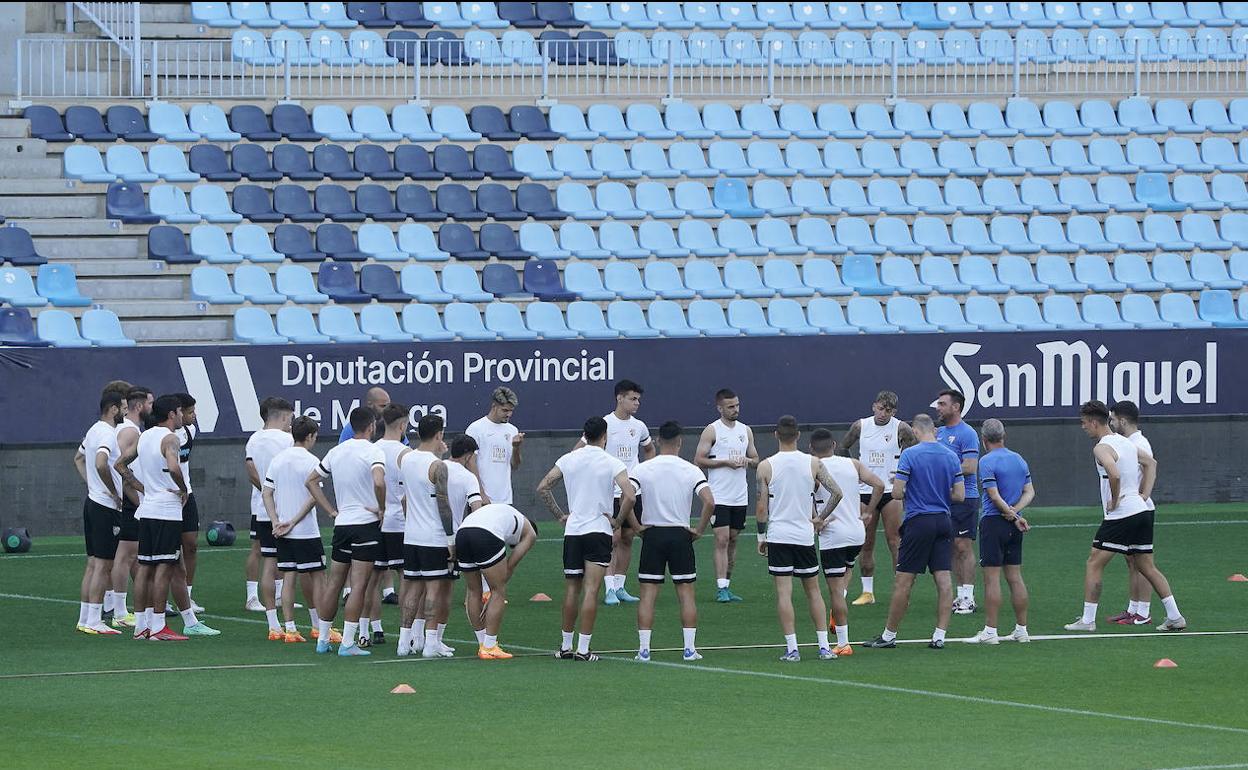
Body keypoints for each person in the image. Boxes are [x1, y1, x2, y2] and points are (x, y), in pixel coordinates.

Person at [1065, 401, 1187, 633]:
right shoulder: (1126, 443)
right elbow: (1151, 463)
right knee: (1146, 565)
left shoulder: (1101, 447)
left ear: (1093, 422)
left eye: (1083, 423)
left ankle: (1087, 620)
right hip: (1141, 511)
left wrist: (1115, 498)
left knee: (1094, 562)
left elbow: (1114, 473)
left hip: (1122, 514)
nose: (1083, 428)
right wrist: (1143, 495)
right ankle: (1174, 616)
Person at [537, 416, 635, 661]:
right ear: (605, 436)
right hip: (598, 530)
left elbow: (543, 487)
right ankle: (583, 649)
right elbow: (630, 496)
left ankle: (565, 647)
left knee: (572, 589)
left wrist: (561, 516)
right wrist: (617, 521)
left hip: (574, 532)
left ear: (584, 434)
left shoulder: (569, 458)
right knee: (591, 590)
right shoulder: (612, 462)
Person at [864, 414, 965, 650]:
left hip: (919, 521)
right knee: (943, 579)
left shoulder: (910, 454)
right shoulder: (950, 456)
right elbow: (959, 495)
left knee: (903, 581)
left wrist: (916, 490)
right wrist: (937, 494)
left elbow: (897, 493)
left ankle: (889, 636)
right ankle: (939, 635)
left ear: (916, 431)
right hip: (943, 521)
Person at [755, 416, 844, 662]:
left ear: (775, 435)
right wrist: (819, 519)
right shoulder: (813, 463)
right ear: (798, 436)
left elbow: (761, 508)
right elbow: (837, 492)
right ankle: (824, 646)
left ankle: (792, 648)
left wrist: (761, 536)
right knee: (814, 591)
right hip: (804, 536)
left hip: (779, 535)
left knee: (784, 594)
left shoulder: (765, 466)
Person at [306, 407, 387, 657]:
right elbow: (379, 481)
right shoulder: (374, 450)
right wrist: (381, 508)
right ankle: (348, 643)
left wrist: (331, 511)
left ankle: (322, 639)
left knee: (334, 584)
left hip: (342, 525)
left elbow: (311, 480)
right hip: (365, 524)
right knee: (359, 585)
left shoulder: (336, 451)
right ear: (371, 426)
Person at [632, 421, 715, 662]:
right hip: (680, 534)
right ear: (680, 442)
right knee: (686, 594)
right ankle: (689, 649)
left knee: (648, 594)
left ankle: (644, 650)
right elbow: (710, 502)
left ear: (658, 441)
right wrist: (699, 530)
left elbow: (627, 495)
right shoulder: (690, 470)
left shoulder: (643, 468)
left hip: (652, 534)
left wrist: (636, 526)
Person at [132, 396, 214, 640]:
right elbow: (175, 467)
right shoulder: (171, 438)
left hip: (147, 509)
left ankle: (141, 626)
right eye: (180, 411)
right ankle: (158, 627)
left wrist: (143, 487)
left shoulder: (144, 436)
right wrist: (183, 489)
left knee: (145, 567)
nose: (183, 415)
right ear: (171, 414)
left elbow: (120, 465)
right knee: (164, 567)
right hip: (166, 510)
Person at [808, 428, 884, 657]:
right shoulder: (853, 464)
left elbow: (807, 497)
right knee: (847, 569)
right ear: (834, 444)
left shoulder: (813, 467)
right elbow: (879, 485)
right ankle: (839, 605)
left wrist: (817, 520)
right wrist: (869, 512)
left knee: (833, 589)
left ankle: (843, 643)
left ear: (811, 449)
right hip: (856, 532)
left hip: (833, 534)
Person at [580, 379, 654, 605]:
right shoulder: (604, 424)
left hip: (631, 491)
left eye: (638, 399)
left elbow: (649, 448)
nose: (636, 403)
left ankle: (620, 586)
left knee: (629, 538)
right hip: (607, 492)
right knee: (612, 538)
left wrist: (645, 473)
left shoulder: (639, 426)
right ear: (619, 398)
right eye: (632, 399)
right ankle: (609, 589)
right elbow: (580, 451)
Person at [841, 391, 916, 606]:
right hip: (865, 490)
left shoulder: (901, 428)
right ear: (874, 406)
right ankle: (867, 592)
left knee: (895, 541)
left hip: (891, 491)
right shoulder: (860, 426)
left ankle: (901, 590)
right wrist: (854, 468)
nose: (884, 414)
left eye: (889, 410)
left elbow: (913, 452)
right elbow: (844, 445)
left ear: (895, 411)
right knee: (865, 541)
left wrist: (903, 471)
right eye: (881, 408)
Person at [266, 416, 336, 644]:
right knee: (318, 578)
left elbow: (267, 492)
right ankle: (320, 627)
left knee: (289, 578)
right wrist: (294, 521)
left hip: (283, 531)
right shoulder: (311, 461)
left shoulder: (278, 459)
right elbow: (313, 496)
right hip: (305, 531)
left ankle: (290, 629)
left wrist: (276, 521)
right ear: (310, 437)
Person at [966, 419, 1033, 645]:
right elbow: (1029, 491)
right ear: (1003, 436)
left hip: (994, 523)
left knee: (992, 579)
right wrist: (1016, 513)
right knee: (1015, 577)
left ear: (984, 440)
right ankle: (1021, 630)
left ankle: (990, 631)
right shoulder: (1019, 459)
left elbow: (993, 496)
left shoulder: (986, 461)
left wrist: (1011, 514)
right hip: (1014, 524)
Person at [396, 414, 458, 659]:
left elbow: (411, 495)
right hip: (433, 536)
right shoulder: (438, 467)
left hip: (411, 536)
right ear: (439, 435)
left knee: (412, 589)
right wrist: (451, 539)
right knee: (433, 590)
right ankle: (430, 643)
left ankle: (403, 642)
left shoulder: (406, 458)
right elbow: (443, 505)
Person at [339, 387, 402, 608]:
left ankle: (388, 590)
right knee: (360, 555)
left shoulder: (391, 432)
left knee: (380, 554)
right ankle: (349, 590)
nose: (386, 409)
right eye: (382, 405)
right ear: (370, 405)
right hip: (362, 503)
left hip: (380, 503)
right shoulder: (351, 432)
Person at [694, 389, 758, 603]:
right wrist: (724, 462)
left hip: (739, 496)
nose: (735, 410)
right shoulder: (712, 430)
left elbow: (756, 458)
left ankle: (727, 586)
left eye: (737, 405)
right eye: (731, 406)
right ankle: (720, 588)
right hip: (719, 494)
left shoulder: (745, 430)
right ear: (720, 408)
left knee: (732, 539)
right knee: (721, 539)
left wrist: (748, 462)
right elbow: (699, 460)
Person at [455, 503, 538, 660]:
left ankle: (482, 644)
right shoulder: (530, 533)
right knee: (499, 591)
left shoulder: (506, 512)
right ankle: (490, 645)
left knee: (473, 591)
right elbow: (510, 566)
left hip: (462, 533)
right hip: (486, 535)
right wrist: (494, 594)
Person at [74, 391, 125, 635]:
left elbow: (78, 459)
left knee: (93, 564)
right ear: (114, 409)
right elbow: (101, 463)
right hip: (105, 506)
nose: (125, 412)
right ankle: (94, 619)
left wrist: (91, 485)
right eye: (123, 407)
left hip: (92, 502)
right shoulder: (107, 433)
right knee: (104, 566)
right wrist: (114, 492)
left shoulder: (93, 429)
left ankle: (85, 618)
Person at [1107, 401, 1158, 626]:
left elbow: (1151, 466)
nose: (1110, 423)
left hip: (1139, 510)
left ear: (1123, 421)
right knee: (1132, 561)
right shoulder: (1128, 442)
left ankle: (1143, 611)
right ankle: (1133, 608)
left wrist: (1143, 496)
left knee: (1143, 562)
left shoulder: (1139, 443)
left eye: (1113, 419)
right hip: (1132, 510)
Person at [246, 397, 295, 632]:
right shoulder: (288, 440)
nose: (291, 423)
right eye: (290, 418)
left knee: (269, 561)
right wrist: (276, 492)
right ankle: (306, 623)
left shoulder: (254, 439)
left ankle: (273, 621)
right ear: (283, 416)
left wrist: (266, 491)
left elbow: (250, 470)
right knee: (295, 563)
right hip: (285, 510)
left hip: (262, 508)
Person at [108, 386, 152, 628]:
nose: (152, 408)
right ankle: (119, 611)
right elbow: (120, 467)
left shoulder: (128, 430)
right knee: (125, 556)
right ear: (139, 406)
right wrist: (138, 501)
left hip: (128, 500)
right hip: (130, 502)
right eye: (150, 403)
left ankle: (136, 606)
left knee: (132, 557)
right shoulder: (130, 431)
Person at [935, 389, 981, 615]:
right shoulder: (939, 433)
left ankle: (968, 597)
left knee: (963, 546)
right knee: (952, 546)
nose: (938, 407)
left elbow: (970, 467)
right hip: (945, 498)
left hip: (965, 498)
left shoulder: (967, 433)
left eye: (942, 404)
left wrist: (941, 471)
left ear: (956, 407)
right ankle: (960, 595)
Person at [371, 403, 410, 645]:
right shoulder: (406, 454)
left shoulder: (371, 449)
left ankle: (373, 630)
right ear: (403, 425)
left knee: (371, 578)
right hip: (399, 522)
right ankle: (406, 634)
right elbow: (407, 494)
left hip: (375, 520)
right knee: (407, 576)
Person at [442, 435, 486, 651]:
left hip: (426, 535)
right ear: (468, 456)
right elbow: (477, 509)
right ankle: (482, 641)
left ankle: (413, 638)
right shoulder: (468, 478)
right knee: (456, 590)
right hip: (455, 537)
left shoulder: (436, 467)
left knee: (420, 588)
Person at [173, 393, 204, 614]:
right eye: (190, 411)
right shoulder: (162, 434)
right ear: (178, 412)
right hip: (168, 496)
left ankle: (188, 595)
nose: (194, 415)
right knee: (169, 550)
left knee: (191, 545)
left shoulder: (189, 431)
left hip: (187, 494)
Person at [466, 386, 524, 505]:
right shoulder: (475, 429)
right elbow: (470, 463)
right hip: (481, 499)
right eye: (505, 410)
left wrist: (516, 447)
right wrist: (480, 494)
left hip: (505, 499)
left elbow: (515, 466)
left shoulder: (512, 430)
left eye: (511, 410)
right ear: (494, 406)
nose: (509, 414)